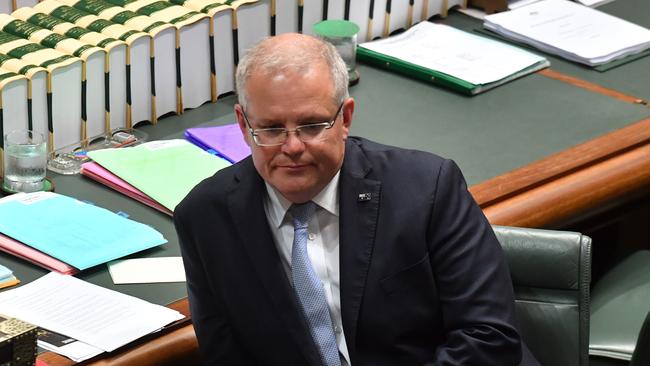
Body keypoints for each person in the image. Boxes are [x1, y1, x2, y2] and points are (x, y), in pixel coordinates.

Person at [175, 33, 530, 365]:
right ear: (242, 124)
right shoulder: (205, 218)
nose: (293, 146)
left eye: (312, 126)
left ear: (345, 118)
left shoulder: (428, 189)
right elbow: (226, 356)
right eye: (270, 129)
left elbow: (488, 338)